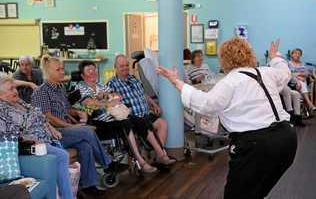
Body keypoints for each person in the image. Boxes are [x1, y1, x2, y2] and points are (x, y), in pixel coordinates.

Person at [157, 38, 297, 199]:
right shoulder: (265, 72)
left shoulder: (230, 82)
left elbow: (206, 104)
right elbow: (285, 72)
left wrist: (176, 82)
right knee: (257, 191)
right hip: (287, 140)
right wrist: (275, 56)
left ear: (224, 58)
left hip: (257, 145)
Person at [31, 55, 113, 195]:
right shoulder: (41, 92)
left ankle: (89, 185)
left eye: (63, 69)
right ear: (48, 72)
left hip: (65, 129)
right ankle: (108, 164)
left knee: (86, 146)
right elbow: (48, 117)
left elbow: (67, 109)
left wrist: (78, 112)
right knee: (88, 132)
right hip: (53, 133)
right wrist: (71, 127)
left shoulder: (60, 87)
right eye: (58, 70)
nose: (62, 72)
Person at [76, 60, 157, 173]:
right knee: (126, 123)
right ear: (82, 75)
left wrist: (107, 95)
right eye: (89, 70)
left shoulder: (101, 86)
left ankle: (155, 151)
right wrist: (106, 103)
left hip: (112, 118)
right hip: (97, 122)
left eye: (94, 69)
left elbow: (117, 96)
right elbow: (88, 102)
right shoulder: (80, 87)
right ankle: (140, 160)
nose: (93, 72)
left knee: (139, 119)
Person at [0, 74, 73, 199]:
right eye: (11, 89)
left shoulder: (18, 101)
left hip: (48, 135)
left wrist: (49, 127)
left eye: (14, 87)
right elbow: (16, 132)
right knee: (62, 155)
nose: (15, 91)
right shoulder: (3, 109)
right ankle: (68, 196)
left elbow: (39, 115)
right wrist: (32, 138)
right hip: (34, 142)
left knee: (83, 139)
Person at [107, 54, 175, 165]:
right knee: (145, 124)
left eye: (126, 65)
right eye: (121, 66)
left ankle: (158, 156)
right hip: (134, 118)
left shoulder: (133, 78)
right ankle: (162, 155)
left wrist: (154, 104)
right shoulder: (112, 84)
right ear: (115, 67)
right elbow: (113, 104)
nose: (125, 68)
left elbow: (143, 94)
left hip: (146, 113)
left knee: (163, 123)